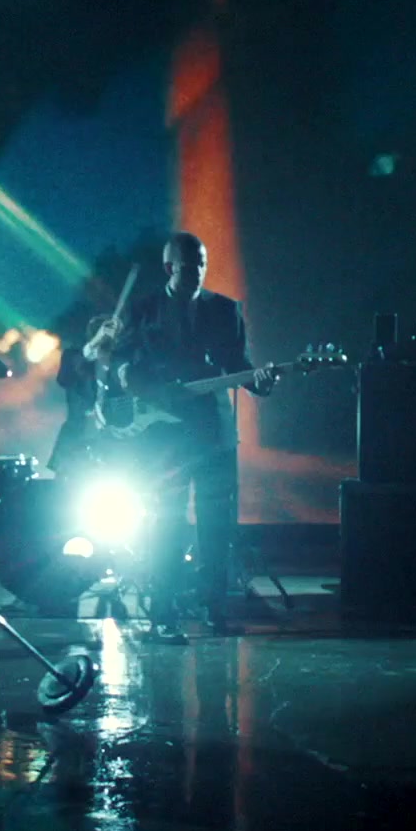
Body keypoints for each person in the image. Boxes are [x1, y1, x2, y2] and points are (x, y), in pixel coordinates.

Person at [104, 232, 278, 641]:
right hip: (164, 434)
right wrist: (133, 380)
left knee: (216, 526)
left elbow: (238, 363)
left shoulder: (225, 309)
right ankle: (163, 614)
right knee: (167, 523)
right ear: (169, 267)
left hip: (214, 433)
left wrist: (260, 383)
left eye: (202, 263)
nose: (198, 271)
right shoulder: (143, 309)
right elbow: (120, 361)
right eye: (189, 265)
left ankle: (215, 610)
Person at [47, 313, 122, 480]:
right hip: (75, 443)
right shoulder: (73, 356)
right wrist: (96, 341)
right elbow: (64, 379)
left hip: (109, 443)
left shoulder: (119, 361)